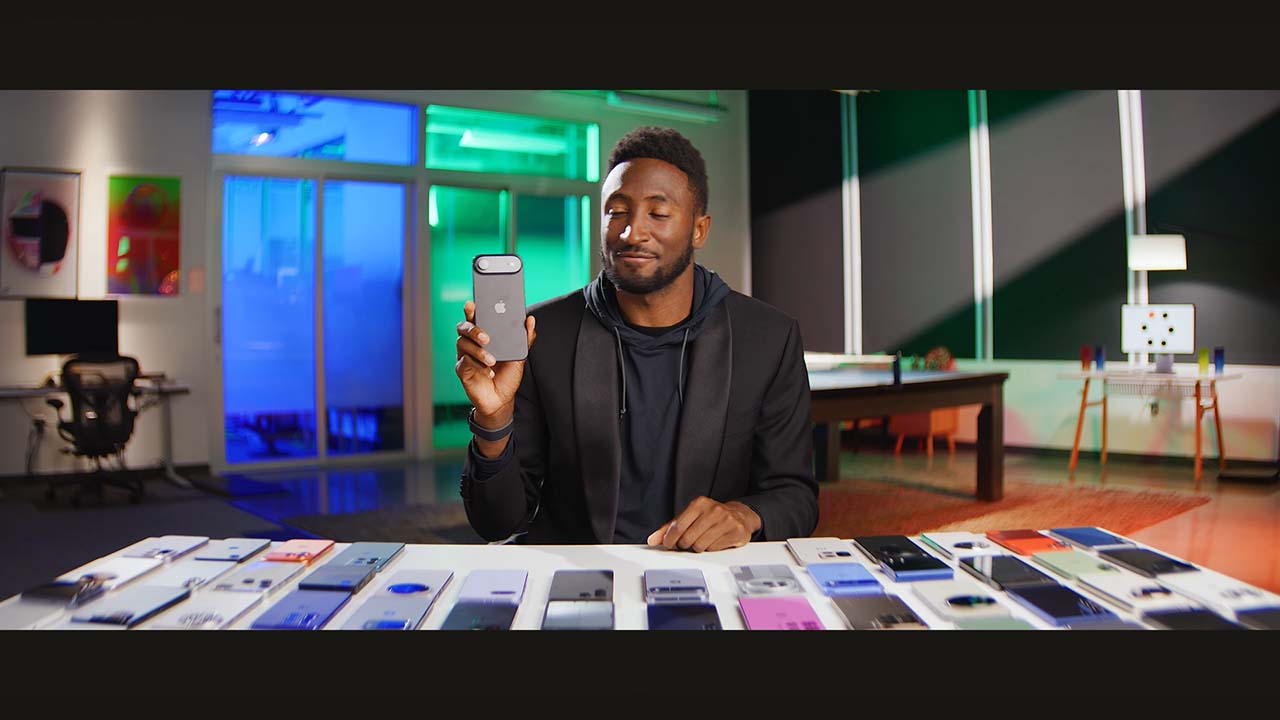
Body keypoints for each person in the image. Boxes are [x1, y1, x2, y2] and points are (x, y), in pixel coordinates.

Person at [456, 126, 817, 552]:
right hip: (582, 574)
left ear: (699, 230)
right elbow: (497, 523)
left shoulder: (768, 338)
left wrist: (744, 514)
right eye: (616, 211)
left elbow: (796, 496)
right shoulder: (539, 336)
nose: (632, 233)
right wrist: (493, 420)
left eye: (658, 214)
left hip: (707, 570)